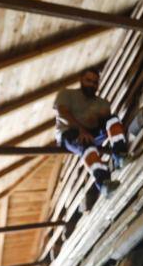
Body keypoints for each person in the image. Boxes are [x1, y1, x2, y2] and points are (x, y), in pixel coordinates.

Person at [54, 70, 129, 198]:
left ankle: (120, 155)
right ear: (81, 80)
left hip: (92, 133)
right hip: (70, 133)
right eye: (88, 80)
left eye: (95, 82)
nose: (91, 84)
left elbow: (105, 122)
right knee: (86, 143)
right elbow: (63, 114)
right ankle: (104, 184)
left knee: (113, 120)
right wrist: (81, 130)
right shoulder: (66, 94)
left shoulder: (103, 103)